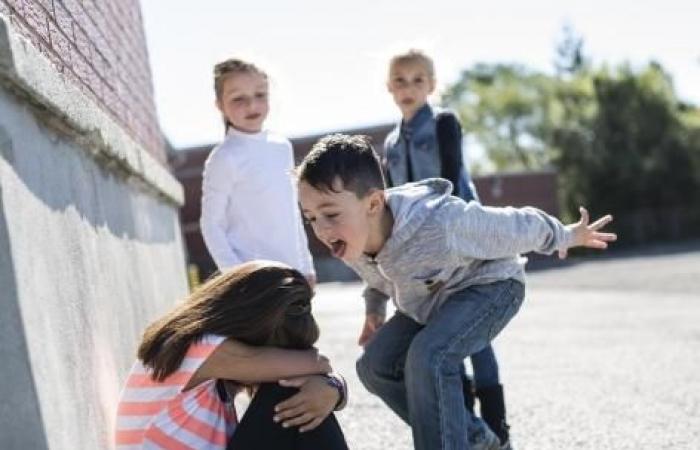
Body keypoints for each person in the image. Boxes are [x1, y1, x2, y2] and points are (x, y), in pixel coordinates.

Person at [296, 134, 616, 450]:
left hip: (491, 287)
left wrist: (565, 235)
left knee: (429, 355)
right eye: (310, 218)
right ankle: (473, 437)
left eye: (331, 214)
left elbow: (511, 225)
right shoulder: (352, 239)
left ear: (374, 203)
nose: (321, 230)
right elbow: (378, 274)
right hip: (429, 302)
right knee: (374, 365)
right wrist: (374, 309)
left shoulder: (439, 221)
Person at [383, 49, 509, 446]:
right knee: (442, 337)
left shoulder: (443, 123)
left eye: (418, 79)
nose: (408, 87)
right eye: (400, 80)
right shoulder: (389, 143)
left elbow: (452, 179)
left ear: (432, 86)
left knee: (477, 340)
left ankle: (498, 429)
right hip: (419, 255)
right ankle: (470, 430)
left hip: (461, 241)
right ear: (389, 87)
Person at [115, 261, 349, 449]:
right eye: (274, 349)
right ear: (252, 327)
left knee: (301, 393)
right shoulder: (200, 346)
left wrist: (331, 388)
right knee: (288, 388)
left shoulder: (206, 354)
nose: (273, 358)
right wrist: (332, 385)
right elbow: (319, 363)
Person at [200, 58, 316, 286]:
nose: (252, 106)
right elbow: (211, 224)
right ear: (220, 105)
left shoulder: (282, 147)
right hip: (254, 281)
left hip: (293, 274)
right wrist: (237, 276)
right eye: (238, 99)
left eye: (260, 95)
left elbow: (292, 213)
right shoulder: (224, 157)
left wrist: (306, 266)